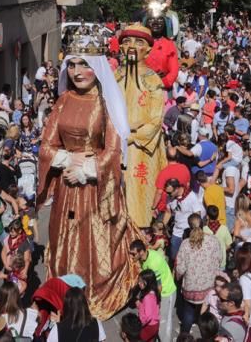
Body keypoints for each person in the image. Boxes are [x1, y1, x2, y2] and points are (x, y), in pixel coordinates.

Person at [36, 32, 142, 320]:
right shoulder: (63, 101)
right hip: (67, 187)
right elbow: (46, 145)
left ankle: (92, 294)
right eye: (71, 65)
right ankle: (62, 294)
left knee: (94, 245)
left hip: (96, 189)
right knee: (62, 243)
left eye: (84, 64)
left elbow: (113, 150)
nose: (77, 72)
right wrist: (68, 159)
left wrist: (85, 170)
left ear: (97, 66)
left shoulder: (105, 103)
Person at [117, 23, 168, 229]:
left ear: (147, 49)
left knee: (140, 190)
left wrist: (133, 136)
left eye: (138, 42)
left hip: (141, 147)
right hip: (117, 144)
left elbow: (156, 119)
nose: (131, 46)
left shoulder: (152, 80)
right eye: (127, 41)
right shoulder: (115, 76)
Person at [175, 216, 224, 334]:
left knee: (188, 312)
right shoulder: (213, 240)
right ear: (203, 224)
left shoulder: (185, 244)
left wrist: (178, 279)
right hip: (209, 286)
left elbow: (180, 268)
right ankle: (207, 336)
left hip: (191, 287)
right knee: (206, 314)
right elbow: (220, 260)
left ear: (189, 227)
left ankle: (184, 337)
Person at [131, 239, 177, 342]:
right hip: (156, 292)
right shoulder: (144, 258)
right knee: (157, 318)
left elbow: (159, 287)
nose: (132, 256)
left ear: (141, 252)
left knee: (165, 321)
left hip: (166, 292)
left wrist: (155, 302)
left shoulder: (154, 263)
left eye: (133, 254)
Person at [134, 269, 162, 340]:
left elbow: (147, 317)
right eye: (138, 281)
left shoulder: (147, 298)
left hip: (149, 326)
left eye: (141, 281)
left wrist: (139, 306)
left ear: (148, 283)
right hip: (155, 324)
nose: (139, 283)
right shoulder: (154, 292)